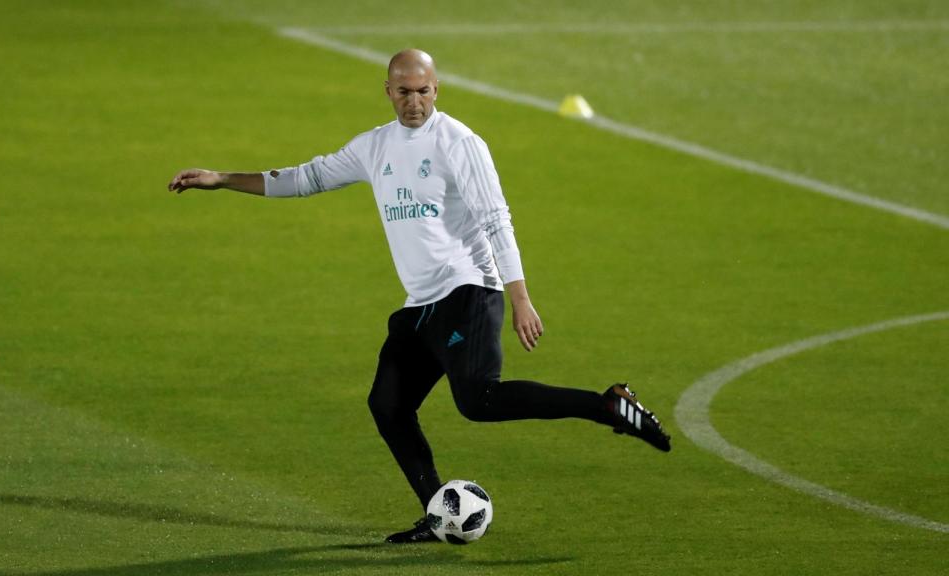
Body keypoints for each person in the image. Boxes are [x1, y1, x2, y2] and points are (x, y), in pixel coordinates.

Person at [168, 48, 671, 544]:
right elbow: (307, 178)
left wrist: (520, 297)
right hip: (421, 305)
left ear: (437, 89)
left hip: (469, 290)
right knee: (387, 405)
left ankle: (607, 406)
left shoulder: (459, 142)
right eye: (404, 92)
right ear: (388, 92)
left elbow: (497, 220)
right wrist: (221, 179)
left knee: (478, 400)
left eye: (423, 91)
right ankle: (437, 513)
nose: (414, 102)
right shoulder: (375, 146)